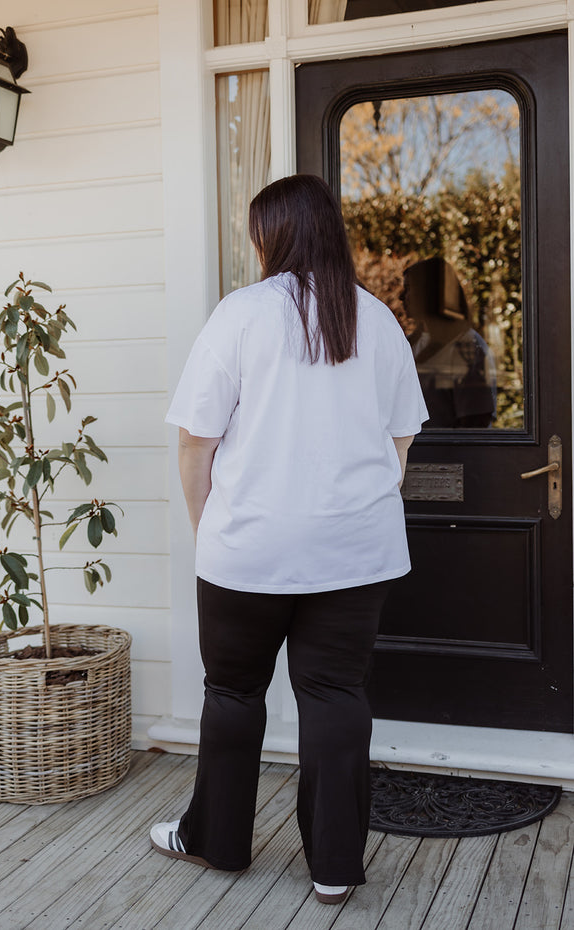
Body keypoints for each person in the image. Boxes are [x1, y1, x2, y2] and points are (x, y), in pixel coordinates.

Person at [150, 174, 428, 905]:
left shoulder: (241, 315)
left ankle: (217, 841)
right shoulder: (376, 319)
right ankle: (335, 868)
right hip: (356, 551)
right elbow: (402, 441)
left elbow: (194, 441)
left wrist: (204, 523)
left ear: (269, 237)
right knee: (336, 696)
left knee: (234, 694)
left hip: (248, 549)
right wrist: (358, 508)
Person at [403, 256, 497, 428]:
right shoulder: (408, 346)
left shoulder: (467, 347)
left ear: (429, 292)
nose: (402, 297)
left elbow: (476, 425)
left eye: (409, 288)